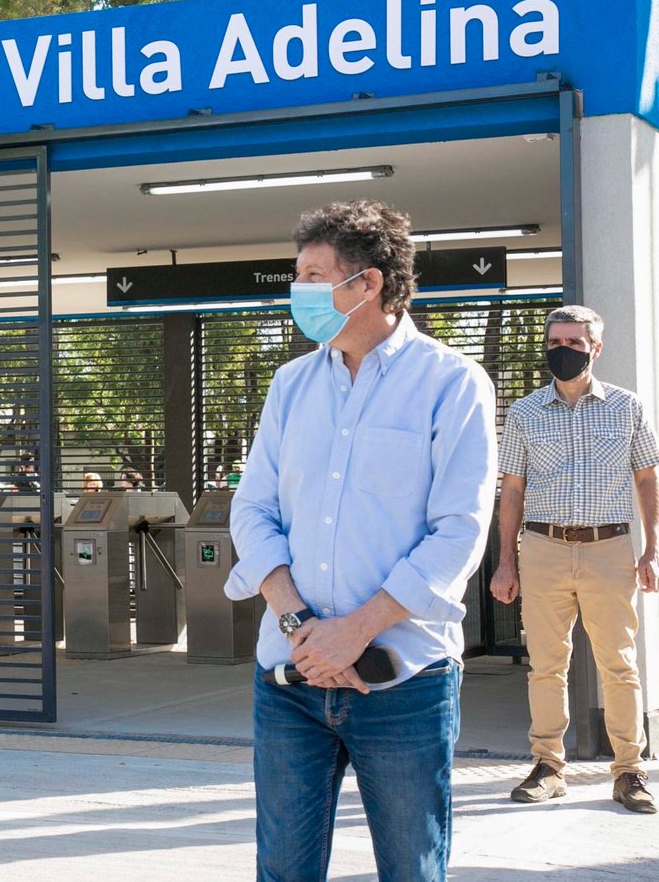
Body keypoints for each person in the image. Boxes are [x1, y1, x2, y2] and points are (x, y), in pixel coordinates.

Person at [224, 200, 497, 881]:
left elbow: (458, 533)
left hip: (402, 682)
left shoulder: (451, 384)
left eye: (313, 275)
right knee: (283, 869)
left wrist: (357, 631)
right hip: (289, 680)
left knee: (412, 868)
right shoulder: (290, 387)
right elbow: (253, 511)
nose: (299, 291)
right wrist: (301, 625)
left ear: (367, 284)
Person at [489, 305, 658, 813]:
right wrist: (506, 561)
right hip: (543, 548)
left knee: (619, 664)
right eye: (555, 340)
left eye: (574, 342)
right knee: (546, 665)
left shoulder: (627, 407)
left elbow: (647, 479)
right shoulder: (523, 413)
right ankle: (548, 766)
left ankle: (630, 770)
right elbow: (512, 491)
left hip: (610, 548)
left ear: (595, 348)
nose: (562, 350)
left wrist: (653, 548)